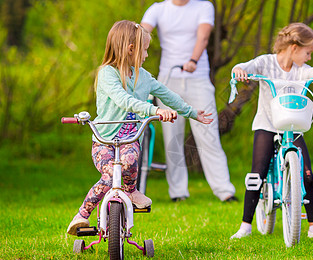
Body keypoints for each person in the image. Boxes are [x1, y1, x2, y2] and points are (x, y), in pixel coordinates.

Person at [67, 20, 213, 235]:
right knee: (109, 176)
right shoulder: (108, 73)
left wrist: (191, 112)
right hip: (104, 140)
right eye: (144, 50)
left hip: (129, 139)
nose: (146, 55)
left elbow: (167, 95)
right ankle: (82, 215)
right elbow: (123, 99)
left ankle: (131, 190)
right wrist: (154, 111)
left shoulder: (143, 77)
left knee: (130, 160)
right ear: (131, 49)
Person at [230, 22, 313, 240]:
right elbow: (247, 66)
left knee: (306, 174)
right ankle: (246, 225)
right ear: (294, 47)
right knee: (258, 173)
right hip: (267, 124)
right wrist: (239, 70)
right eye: (308, 52)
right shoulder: (266, 63)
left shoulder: (301, 71)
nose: (309, 57)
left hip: (293, 127)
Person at [140, 0, 236, 202]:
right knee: (172, 136)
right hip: (168, 80)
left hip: (198, 78)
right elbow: (141, 32)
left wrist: (193, 59)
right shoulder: (157, 9)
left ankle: (225, 192)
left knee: (208, 134)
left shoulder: (203, 7)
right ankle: (178, 193)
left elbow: (203, 36)